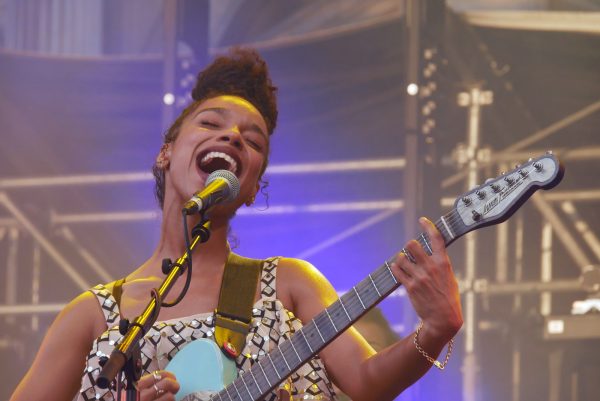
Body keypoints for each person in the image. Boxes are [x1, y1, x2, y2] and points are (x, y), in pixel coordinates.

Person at [10, 48, 462, 401]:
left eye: (253, 141)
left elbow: (367, 382)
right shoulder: (93, 316)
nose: (232, 136)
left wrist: (437, 327)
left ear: (251, 188)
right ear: (166, 152)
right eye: (211, 123)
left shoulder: (289, 284)